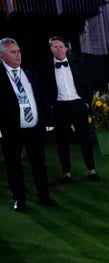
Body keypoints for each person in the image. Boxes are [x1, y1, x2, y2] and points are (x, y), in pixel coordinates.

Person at [0, 37, 56, 211]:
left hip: (35, 127)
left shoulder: (30, 71)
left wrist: (48, 119)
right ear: (2, 55)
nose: (18, 55)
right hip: (11, 130)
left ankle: (44, 195)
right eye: (13, 52)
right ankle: (19, 198)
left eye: (18, 51)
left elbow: (42, 96)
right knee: (13, 165)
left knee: (39, 163)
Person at [43, 36, 100, 183]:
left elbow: (89, 86)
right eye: (55, 47)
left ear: (66, 48)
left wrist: (86, 103)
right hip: (60, 107)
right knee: (61, 142)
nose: (58, 49)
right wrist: (50, 106)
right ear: (50, 49)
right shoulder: (45, 68)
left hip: (78, 105)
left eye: (61, 46)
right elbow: (43, 90)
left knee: (85, 140)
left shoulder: (78, 65)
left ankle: (91, 170)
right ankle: (66, 173)